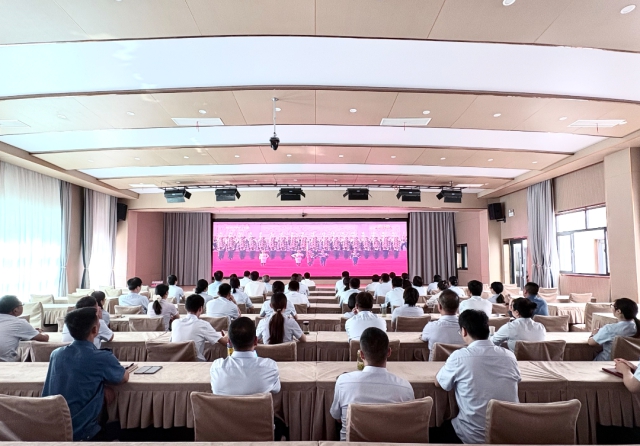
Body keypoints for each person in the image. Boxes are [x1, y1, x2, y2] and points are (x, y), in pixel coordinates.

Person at [42, 307, 128, 441]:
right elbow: (122, 378)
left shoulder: (56, 354)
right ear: (95, 330)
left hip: (52, 427)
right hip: (84, 432)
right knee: (127, 429)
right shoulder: (102, 357)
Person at [436, 310, 521, 444]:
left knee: (435, 429)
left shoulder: (459, 357)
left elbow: (440, 383)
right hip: (509, 434)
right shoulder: (509, 356)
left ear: (464, 331)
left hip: (471, 435)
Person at [330, 327, 414, 441]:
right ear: (389, 352)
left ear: (361, 355)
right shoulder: (405, 387)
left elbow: (337, 417)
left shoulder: (343, 382)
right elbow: (407, 423)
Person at [210, 317, 280, 395]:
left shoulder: (216, 367)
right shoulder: (270, 367)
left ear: (229, 342)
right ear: (256, 341)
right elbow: (276, 390)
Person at [172, 294, 228, 361]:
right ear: (201, 309)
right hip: (196, 363)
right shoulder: (203, 325)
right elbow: (226, 342)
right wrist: (227, 334)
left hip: (176, 362)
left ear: (185, 307)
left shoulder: (175, 323)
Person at [0, 295, 49, 362]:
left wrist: (31, 332)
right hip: (5, 363)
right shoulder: (19, 323)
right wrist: (45, 334)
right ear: (15, 310)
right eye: (22, 305)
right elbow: (44, 338)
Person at [421, 290, 465, 360]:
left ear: (439, 307)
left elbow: (423, 338)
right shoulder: (467, 329)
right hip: (461, 365)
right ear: (458, 307)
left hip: (435, 366)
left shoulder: (431, 327)